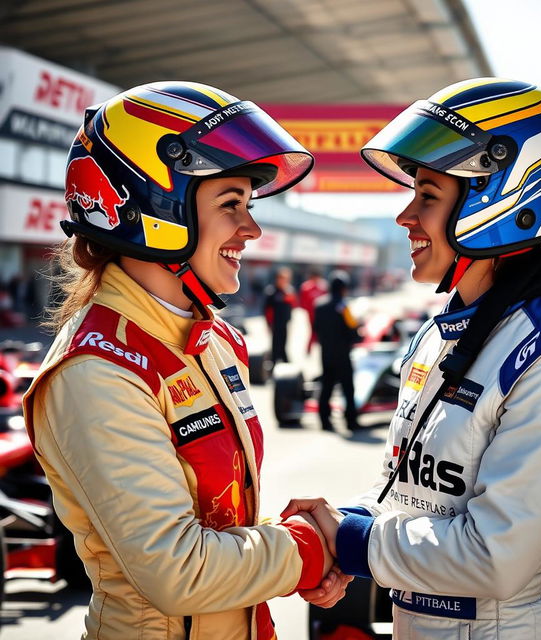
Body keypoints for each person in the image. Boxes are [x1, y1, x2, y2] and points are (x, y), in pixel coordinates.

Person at [282, 78, 541, 638]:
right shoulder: (440, 334)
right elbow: (411, 495)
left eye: (427, 195)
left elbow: (497, 556)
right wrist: (349, 526)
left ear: (501, 201)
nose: (405, 217)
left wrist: (350, 544)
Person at [21, 81, 335, 640]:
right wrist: (308, 548)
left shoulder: (213, 340)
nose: (252, 229)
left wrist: (290, 547)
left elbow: (216, 518)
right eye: (230, 204)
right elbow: (177, 570)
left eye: (249, 205)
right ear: (158, 210)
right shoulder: (96, 370)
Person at [314, 270, 360, 431]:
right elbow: (353, 331)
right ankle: (351, 422)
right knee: (348, 388)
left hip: (326, 353)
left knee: (326, 387)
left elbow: (316, 328)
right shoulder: (343, 306)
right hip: (342, 355)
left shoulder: (319, 305)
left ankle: (324, 421)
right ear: (343, 288)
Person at [263, 266, 297, 363]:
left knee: (284, 342)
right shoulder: (271, 291)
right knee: (275, 343)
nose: (284, 281)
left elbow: (293, 305)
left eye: (286, 279)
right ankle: (274, 359)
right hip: (275, 323)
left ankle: (284, 358)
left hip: (285, 322)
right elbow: (266, 309)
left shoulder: (289, 291)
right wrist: (268, 323)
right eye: (282, 278)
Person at [299, 266, 328, 352]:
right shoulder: (306, 287)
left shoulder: (323, 286)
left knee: (320, 330)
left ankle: (318, 345)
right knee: (312, 330)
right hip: (311, 313)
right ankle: (309, 347)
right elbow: (302, 301)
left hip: (321, 314)